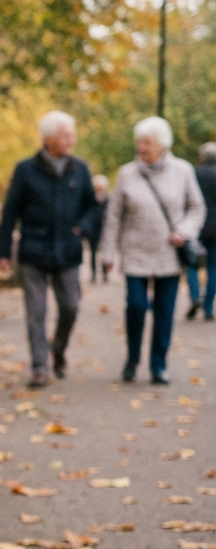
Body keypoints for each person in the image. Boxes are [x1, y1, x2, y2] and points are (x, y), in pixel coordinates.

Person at [98, 117, 206, 384]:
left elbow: (197, 207)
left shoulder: (182, 171)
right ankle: (133, 359)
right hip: (135, 252)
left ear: (162, 145)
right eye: (139, 142)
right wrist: (107, 252)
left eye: (147, 142)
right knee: (135, 306)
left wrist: (185, 231)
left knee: (164, 311)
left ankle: (159, 365)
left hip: (169, 253)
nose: (141, 147)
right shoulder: (126, 174)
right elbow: (113, 216)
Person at [0, 110, 100, 388]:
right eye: (65, 135)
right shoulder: (26, 170)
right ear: (48, 139)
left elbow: (92, 206)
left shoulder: (80, 168)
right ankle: (40, 366)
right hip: (34, 249)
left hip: (67, 251)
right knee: (36, 311)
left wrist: (82, 228)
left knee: (71, 307)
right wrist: (4, 251)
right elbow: (10, 212)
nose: (70, 140)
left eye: (71, 135)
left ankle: (58, 349)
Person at [185, 143, 216, 320]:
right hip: (215, 231)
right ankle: (208, 306)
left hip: (195, 227)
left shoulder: (193, 174)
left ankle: (195, 296)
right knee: (213, 267)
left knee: (191, 264)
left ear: (202, 157)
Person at [88, 174, 109, 283]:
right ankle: (93, 274)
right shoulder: (90, 199)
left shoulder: (108, 199)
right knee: (93, 253)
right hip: (93, 230)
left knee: (105, 252)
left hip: (105, 229)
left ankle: (105, 274)